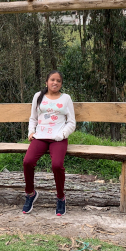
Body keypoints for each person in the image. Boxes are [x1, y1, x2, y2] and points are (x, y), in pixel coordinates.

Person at [22, 70, 76, 216]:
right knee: (27, 161)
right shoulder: (38, 96)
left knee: (57, 165)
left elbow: (71, 122)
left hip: (58, 138)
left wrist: (62, 135)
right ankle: (30, 194)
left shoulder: (66, 98)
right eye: (52, 80)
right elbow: (33, 118)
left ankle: (60, 197)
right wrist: (31, 132)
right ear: (46, 82)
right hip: (40, 136)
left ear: (61, 84)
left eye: (58, 81)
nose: (55, 83)